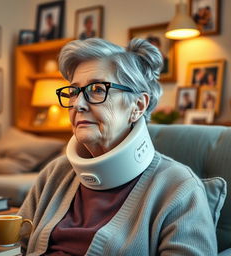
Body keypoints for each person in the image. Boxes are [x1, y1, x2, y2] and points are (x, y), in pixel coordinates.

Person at [18, 38, 217, 255]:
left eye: (96, 89)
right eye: (74, 91)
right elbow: (14, 245)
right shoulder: (54, 174)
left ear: (138, 106)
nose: (78, 104)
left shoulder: (179, 189)